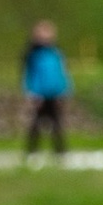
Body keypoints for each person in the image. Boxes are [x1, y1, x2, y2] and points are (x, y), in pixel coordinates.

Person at [21, 21, 71, 158]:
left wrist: (65, 90)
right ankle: (32, 151)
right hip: (40, 95)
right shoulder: (33, 55)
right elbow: (29, 75)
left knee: (57, 124)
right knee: (36, 124)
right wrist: (32, 92)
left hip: (55, 93)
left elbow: (62, 73)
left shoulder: (56, 53)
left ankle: (60, 152)